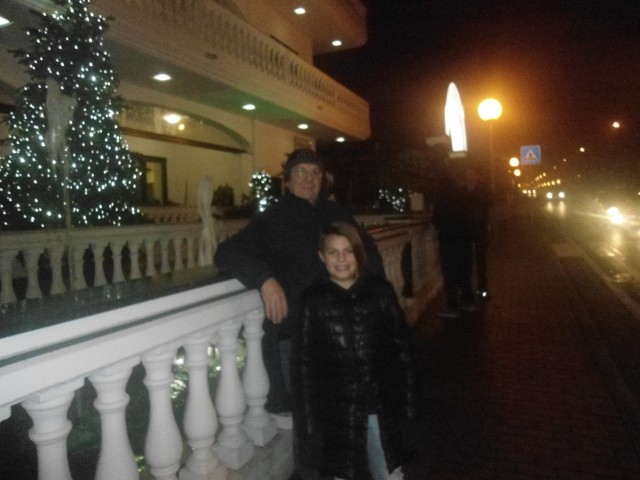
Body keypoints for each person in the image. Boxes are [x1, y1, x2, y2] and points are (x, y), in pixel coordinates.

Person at [214, 149, 385, 419]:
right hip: (297, 335)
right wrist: (265, 280)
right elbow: (226, 252)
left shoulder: (337, 214)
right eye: (301, 172)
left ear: (322, 180)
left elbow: (369, 255)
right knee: (311, 415)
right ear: (288, 181)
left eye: (315, 173)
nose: (309, 178)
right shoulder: (273, 218)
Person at [292, 223, 417, 480]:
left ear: (359, 253)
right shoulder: (312, 300)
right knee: (343, 473)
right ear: (322, 256)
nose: (341, 259)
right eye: (333, 252)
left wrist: (407, 405)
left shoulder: (380, 292)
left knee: (388, 471)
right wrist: (308, 425)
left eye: (348, 251)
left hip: (379, 407)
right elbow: (303, 366)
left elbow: (403, 350)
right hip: (335, 413)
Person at [431, 158, 475, 317]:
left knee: (450, 273)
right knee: (464, 271)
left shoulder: (442, 195)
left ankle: (452, 306)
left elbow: (437, 219)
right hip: (464, 238)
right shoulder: (462, 193)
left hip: (449, 239)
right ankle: (468, 302)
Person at [464, 165, 493, 300]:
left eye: (471, 174)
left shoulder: (484, 189)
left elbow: (488, 207)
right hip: (466, 231)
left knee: (481, 261)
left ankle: (482, 290)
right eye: (467, 174)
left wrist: (487, 224)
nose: (469, 177)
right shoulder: (462, 190)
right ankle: (469, 290)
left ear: (476, 175)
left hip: (480, 229)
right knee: (467, 262)